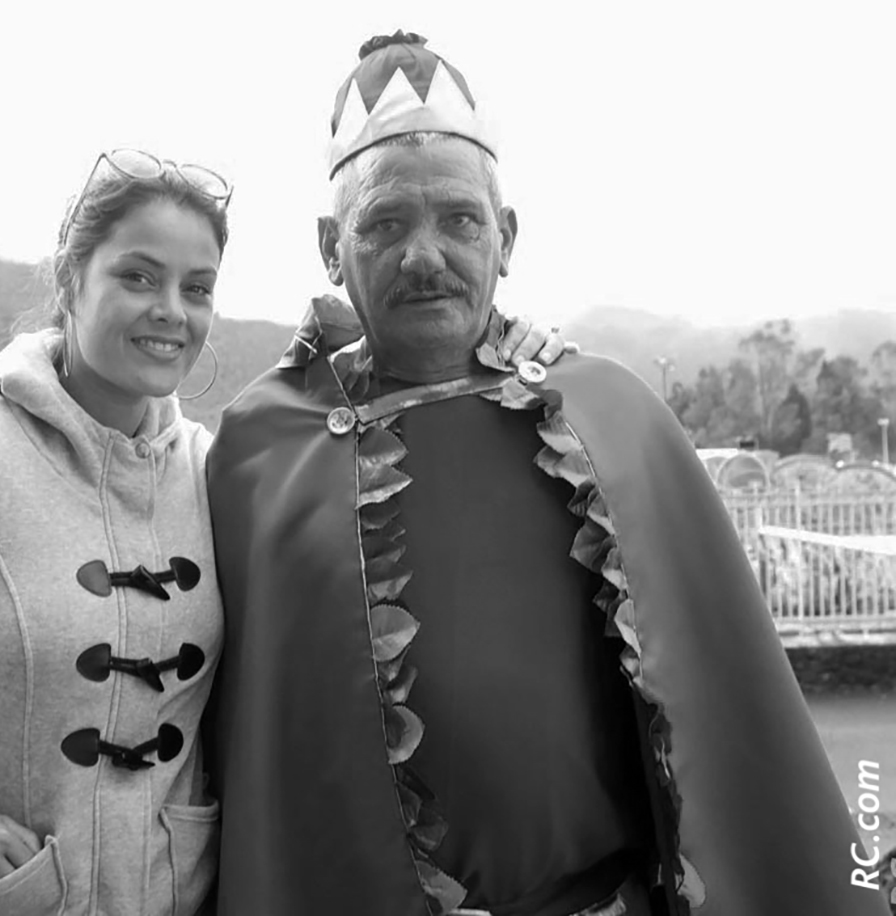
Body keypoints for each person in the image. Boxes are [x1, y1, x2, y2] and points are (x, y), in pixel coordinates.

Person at [0, 147, 565, 916]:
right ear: (71, 281)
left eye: (197, 286)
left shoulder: (213, 470)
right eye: (138, 276)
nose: (171, 312)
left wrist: (501, 348)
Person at [203, 31, 889, 916]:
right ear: (332, 247)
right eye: (384, 224)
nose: (425, 256)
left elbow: (728, 704)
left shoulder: (610, 416)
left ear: (506, 236)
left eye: (459, 220)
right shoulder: (260, 451)